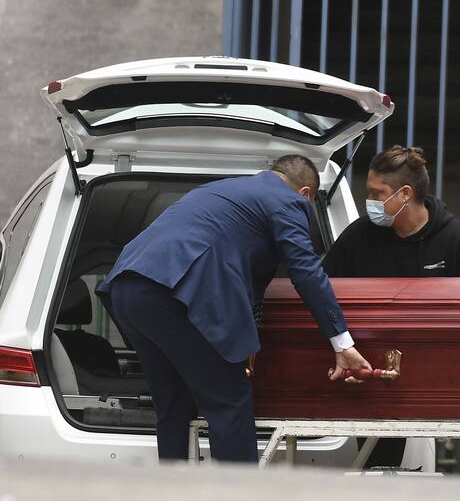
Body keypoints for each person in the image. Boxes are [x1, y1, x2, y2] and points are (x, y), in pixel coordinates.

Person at [96, 155, 371, 463]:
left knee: (173, 405)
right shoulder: (287, 200)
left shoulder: (222, 190)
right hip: (173, 296)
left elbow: (239, 275)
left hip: (127, 288)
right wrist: (342, 342)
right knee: (229, 403)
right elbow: (305, 270)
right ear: (306, 194)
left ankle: (170, 491)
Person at [322, 145, 460, 475]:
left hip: (444, 375)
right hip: (378, 377)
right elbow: (323, 291)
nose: (369, 200)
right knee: (377, 467)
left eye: (377, 192)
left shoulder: (458, 242)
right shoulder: (359, 236)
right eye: (368, 191)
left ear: (405, 194)